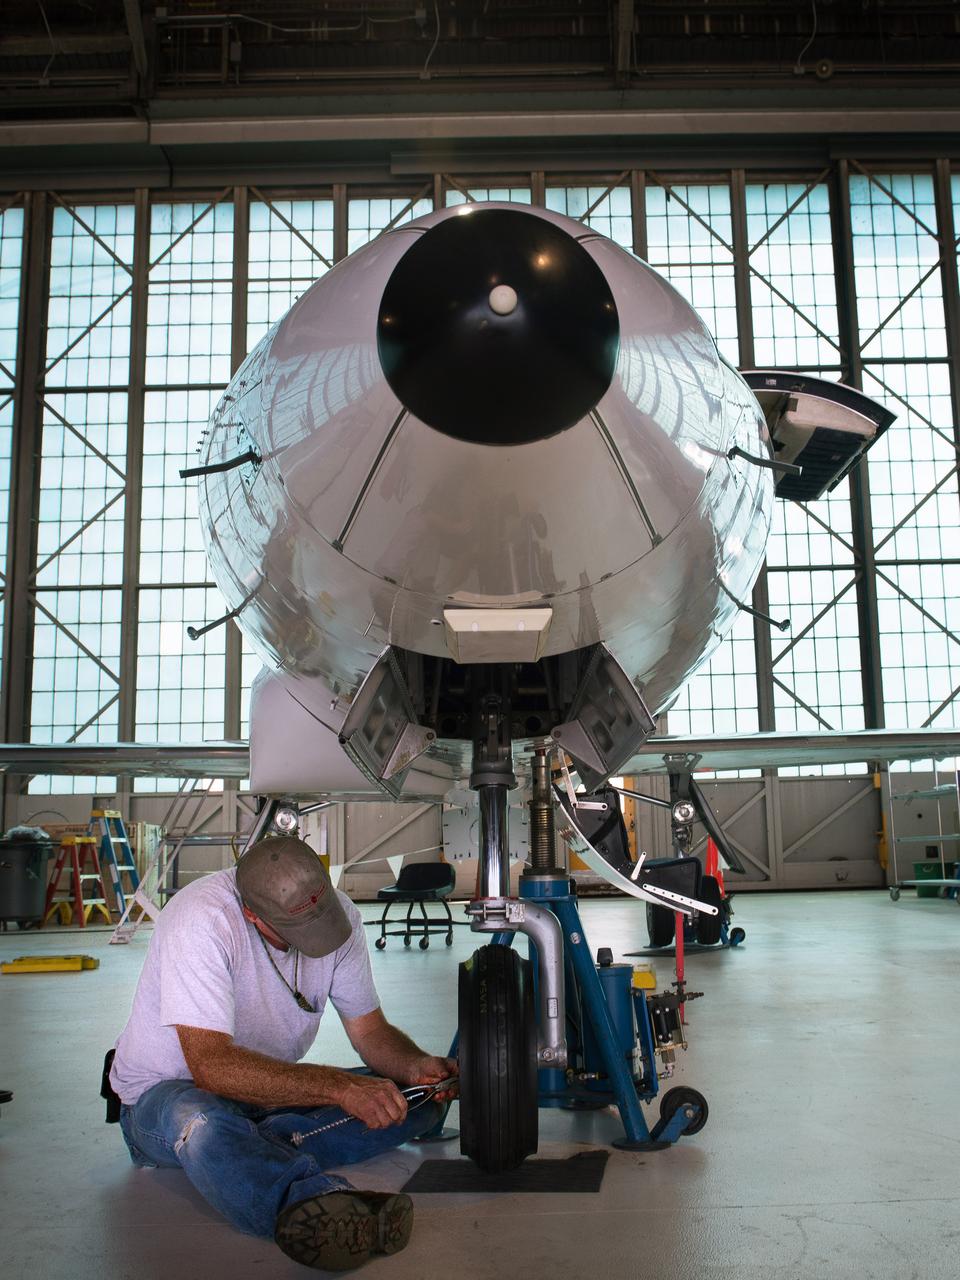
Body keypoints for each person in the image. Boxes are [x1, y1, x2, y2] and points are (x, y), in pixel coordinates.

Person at [109, 835, 458, 1271]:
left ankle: (253, 1148)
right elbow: (211, 1068)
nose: (315, 939)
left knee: (407, 1097)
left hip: (263, 1092)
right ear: (252, 913)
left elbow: (370, 1030)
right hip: (165, 1098)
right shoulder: (200, 920)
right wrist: (339, 1088)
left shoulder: (341, 915)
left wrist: (416, 1065)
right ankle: (315, 1204)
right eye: (296, 930)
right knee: (201, 1122)